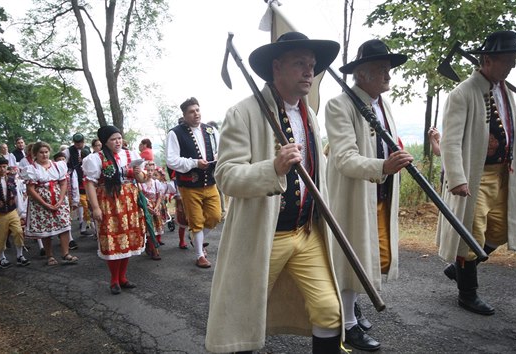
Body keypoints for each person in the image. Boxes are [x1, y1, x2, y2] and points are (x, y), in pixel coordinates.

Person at [205, 31, 343, 354]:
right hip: (263, 238)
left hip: (307, 234)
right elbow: (225, 176)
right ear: (276, 67)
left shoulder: (310, 117)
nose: (310, 71)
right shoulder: (243, 114)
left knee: (330, 311)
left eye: (311, 65)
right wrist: (273, 169)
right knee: (241, 320)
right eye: (300, 64)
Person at [436, 31, 516, 316]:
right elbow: (450, 141)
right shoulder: (462, 93)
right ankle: (468, 293)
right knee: (470, 236)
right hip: (476, 176)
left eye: (513, 61)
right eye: (507, 61)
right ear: (487, 60)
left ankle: (461, 267)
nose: (511, 66)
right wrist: (458, 179)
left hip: (504, 174)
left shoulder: (503, 90)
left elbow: (511, 127)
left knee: (499, 232)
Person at [324, 38, 413, 351]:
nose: (388, 75)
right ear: (360, 74)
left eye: (388, 69)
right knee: (354, 259)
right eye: (380, 69)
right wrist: (384, 166)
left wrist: (394, 159)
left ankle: (352, 310)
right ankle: (347, 325)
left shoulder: (383, 104)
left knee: (372, 255)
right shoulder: (340, 105)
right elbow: (344, 158)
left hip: (380, 192)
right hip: (354, 194)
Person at [82, 125, 147, 295]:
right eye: (113, 139)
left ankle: (123, 277)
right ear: (105, 141)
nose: (117, 141)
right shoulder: (96, 158)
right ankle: (114, 280)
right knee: (113, 240)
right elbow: (90, 184)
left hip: (129, 202)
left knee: (128, 238)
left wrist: (139, 172)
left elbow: (142, 179)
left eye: (119, 138)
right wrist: (95, 208)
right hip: (109, 202)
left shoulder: (130, 154)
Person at [166, 97, 221, 268]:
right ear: (184, 114)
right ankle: (199, 255)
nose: (196, 114)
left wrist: (220, 157)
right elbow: (171, 161)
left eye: (197, 110)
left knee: (215, 216)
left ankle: (196, 239)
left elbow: (221, 150)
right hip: (189, 185)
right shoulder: (175, 133)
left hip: (210, 182)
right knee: (196, 220)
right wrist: (195, 163)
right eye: (191, 111)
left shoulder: (211, 130)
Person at [20, 141, 78, 266]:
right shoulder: (32, 169)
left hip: (58, 198)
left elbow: (63, 183)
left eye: (46, 152)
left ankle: (65, 253)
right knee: (46, 229)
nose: (44, 155)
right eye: (41, 152)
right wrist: (44, 204)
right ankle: (50, 256)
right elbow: (30, 189)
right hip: (41, 201)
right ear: (35, 154)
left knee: (64, 226)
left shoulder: (58, 166)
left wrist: (61, 199)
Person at [0, 156, 30, 268]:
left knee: (18, 232)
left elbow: (17, 195)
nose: (2, 169)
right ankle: (1, 257)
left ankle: (20, 256)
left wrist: (20, 210)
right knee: (1, 236)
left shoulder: (11, 180)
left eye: (4, 166)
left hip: (12, 211)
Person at [140, 161, 166, 260]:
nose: (150, 172)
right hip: (145, 207)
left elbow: (160, 196)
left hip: (155, 206)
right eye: (147, 170)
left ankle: (152, 246)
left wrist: (157, 206)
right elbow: (140, 197)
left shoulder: (156, 183)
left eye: (152, 170)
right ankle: (154, 250)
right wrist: (147, 207)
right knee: (149, 229)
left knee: (157, 228)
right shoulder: (141, 184)